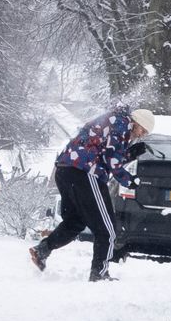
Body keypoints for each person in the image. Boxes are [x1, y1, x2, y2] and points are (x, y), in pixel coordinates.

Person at [28, 105, 154, 281]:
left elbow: (105, 152)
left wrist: (129, 154)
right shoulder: (122, 123)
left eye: (145, 133)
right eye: (143, 129)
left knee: (75, 221)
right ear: (136, 122)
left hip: (65, 170)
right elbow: (112, 160)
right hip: (85, 173)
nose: (142, 134)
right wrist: (129, 181)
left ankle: (42, 250)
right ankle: (99, 274)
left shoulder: (114, 121)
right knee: (107, 229)